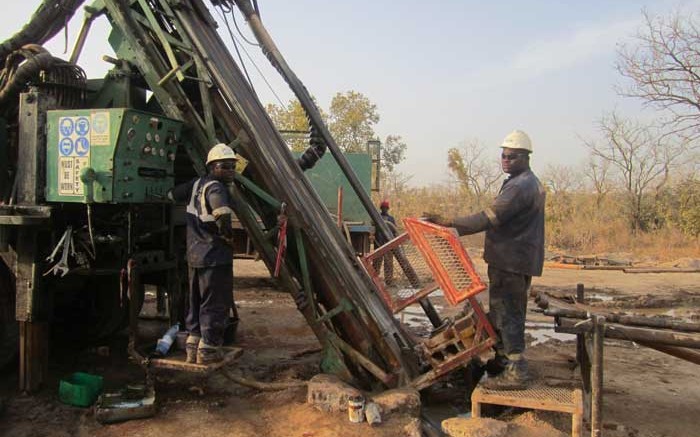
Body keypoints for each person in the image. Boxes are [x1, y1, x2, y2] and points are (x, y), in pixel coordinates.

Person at [425, 130, 545, 390]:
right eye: (503, 155)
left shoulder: (520, 186)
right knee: (503, 312)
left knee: (509, 313)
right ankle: (503, 360)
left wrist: (451, 223)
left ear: (525, 157)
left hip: (511, 260)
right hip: (515, 259)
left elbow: (489, 217)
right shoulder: (524, 181)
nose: (505, 160)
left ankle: (516, 371)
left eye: (511, 156)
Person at [170, 143, 238, 364]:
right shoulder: (217, 188)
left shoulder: (195, 184)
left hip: (194, 254)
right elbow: (221, 214)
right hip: (215, 256)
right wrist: (227, 236)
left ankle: (193, 345)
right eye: (225, 166)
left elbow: (172, 194)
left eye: (232, 166)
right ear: (212, 166)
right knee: (215, 302)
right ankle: (208, 351)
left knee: (195, 301)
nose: (230, 170)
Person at [373, 200, 398, 283]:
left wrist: (395, 241)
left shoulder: (390, 219)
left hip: (388, 244)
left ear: (387, 208)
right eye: (383, 208)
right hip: (379, 244)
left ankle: (388, 281)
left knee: (388, 263)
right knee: (377, 263)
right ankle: (375, 279)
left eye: (385, 208)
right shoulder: (376, 218)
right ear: (381, 208)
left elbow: (394, 231)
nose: (384, 209)